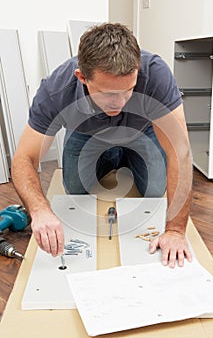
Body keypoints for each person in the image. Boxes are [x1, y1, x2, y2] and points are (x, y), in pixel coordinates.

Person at [12, 23, 193, 268]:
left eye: (128, 90)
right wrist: (39, 209)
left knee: (155, 192)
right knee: (75, 191)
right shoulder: (56, 90)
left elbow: (179, 152)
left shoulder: (155, 75)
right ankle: (113, 157)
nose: (119, 102)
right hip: (86, 135)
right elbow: (25, 157)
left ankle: (123, 156)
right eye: (108, 93)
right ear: (82, 77)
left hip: (141, 131)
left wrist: (175, 230)